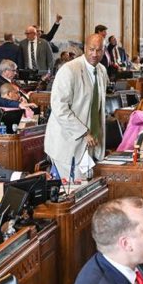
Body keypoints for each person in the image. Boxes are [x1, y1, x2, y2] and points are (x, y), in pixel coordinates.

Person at [45, 32, 107, 179]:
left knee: (88, 186)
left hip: (91, 143)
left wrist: (96, 132)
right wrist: (84, 132)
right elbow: (60, 108)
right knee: (74, 190)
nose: (94, 54)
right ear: (84, 48)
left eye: (99, 50)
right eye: (91, 49)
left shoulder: (102, 70)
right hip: (67, 142)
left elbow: (98, 107)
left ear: (103, 51)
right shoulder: (69, 70)